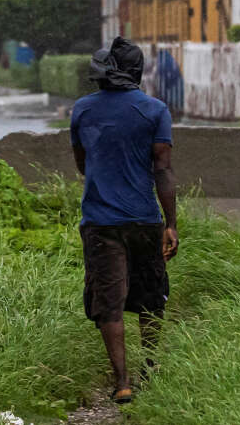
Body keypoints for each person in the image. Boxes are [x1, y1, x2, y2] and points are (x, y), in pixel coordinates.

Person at [69, 37, 179, 404]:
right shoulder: (155, 111)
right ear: (137, 71)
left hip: (100, 220)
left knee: (109, 302)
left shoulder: (83, 110)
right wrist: (171, 223)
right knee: (151, 298)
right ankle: (150, 368)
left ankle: (122, 382)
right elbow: (162, 170)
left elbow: (82, 164)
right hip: (145, 220)